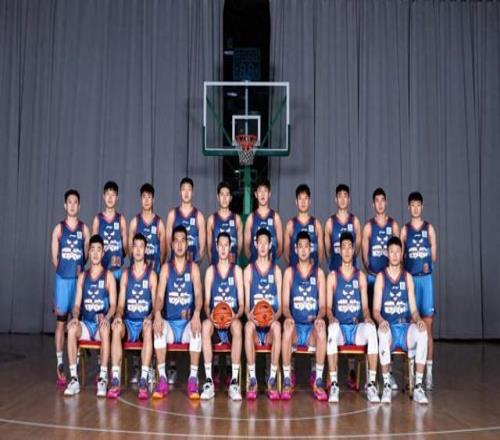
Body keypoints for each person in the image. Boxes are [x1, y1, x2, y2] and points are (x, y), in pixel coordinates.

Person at [372, 237, 429, 405]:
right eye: (392, 252)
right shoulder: (381, 277)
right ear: (387, 254)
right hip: (389, 327)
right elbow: (375, 310)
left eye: (398, 251)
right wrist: (381, 320)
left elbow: (414, 310)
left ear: (402, 253)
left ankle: (418, 387)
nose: (395, 255)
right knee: (382, 333)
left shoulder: (407, 277)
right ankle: (386, 385)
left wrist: (418, 320)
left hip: (404, 328)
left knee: (423, 332)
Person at [326, 233, 379, 403]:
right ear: (339, 251)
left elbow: (365, 308)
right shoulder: (332, 276)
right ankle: (334, 384)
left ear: (354, 250)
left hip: (356, 329)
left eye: (350, 247)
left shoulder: (360, 276)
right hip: (340, 329)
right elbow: (327, 308)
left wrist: (368, 317)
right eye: (344, 247)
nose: (347, 251)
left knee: (371, 329)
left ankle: (371, 384)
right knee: (331, 329)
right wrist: (331, 317)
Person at [152, 226, 203, 400]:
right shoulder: (166, 269)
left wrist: (197, 313)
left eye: (183, 241)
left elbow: (198, 295)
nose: (180, 245)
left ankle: (193, 379)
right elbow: (159, 296)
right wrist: (157, 313)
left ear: (187, 244)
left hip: (187, 324)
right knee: (158, 328)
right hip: (171, 324)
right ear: (172, 245)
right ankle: (162, 379)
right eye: (176, 241)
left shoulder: (193, 268)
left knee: (197, 330)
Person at [64, 235, 117, 397]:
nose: (95, 253)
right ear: (89, 252)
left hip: (100, 325)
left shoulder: (108, 276)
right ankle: (74, 379)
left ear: (103, 253)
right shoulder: (83, 276)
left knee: (105, 329)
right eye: (92, 249)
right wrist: (75, 317)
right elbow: (76, 305)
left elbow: (114, 305)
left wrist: (107, 318)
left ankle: (102, 378)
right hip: (86, 324)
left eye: (98, 250)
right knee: (71, 329)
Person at [107, 233, 157, 400]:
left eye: (141, 246)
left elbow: (156, 306)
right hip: (128, 323)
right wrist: (118, 316)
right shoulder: (126, 275)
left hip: (143, 323)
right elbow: (120, 305)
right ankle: (115, 379)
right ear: (132, 249)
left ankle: (143, 380)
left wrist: (150, 317)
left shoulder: (151, 275)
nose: (138, 250)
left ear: (145, 250)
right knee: (116, 328)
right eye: (135, 246)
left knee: (148, 329)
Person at [281, 231, 328, 401]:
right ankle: (287, 380)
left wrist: (319, 317)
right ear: (295, 249)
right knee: (286, 328)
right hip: (296, 327)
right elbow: (284, 305)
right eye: (300, 247)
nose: (303, 250)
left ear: (311, 248)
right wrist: (288, 317)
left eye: (306, 246)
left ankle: (319, 380)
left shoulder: (319, 273)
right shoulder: (289, 273)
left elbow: (323, 306)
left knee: (322, 328)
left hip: (310, 330)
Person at [50, 189, 89, 386]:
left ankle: (76, 365)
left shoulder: (84, 229)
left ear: (79, 206)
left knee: (76, 322)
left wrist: (77, 272)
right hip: (63, 281)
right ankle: (60, 364)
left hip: (78, 280)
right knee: (61, 322)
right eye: (69, 202)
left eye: (75, 202)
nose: (72, 205)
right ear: (65, 205)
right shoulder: (59, 228)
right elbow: (54, 258)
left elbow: (87, 255)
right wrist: (65, 272)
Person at [200, 232, 244, 401]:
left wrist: (235, 315)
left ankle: (234, 381)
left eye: (227, 245)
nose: (224, 248)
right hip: (215, 320)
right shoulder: (210, 271)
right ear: (217, 248)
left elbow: (242, 305)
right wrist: (210, 315)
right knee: (205, 326)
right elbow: (206, 303)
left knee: (238, 326)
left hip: (231, 320)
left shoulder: (237, 271)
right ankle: (209, 381)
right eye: (221, 245)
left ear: (230, 247)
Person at [401, 191, 437, 390]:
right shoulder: (405, 230)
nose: (415, 208)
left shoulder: (429, 228)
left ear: (422, 207)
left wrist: (426, 263)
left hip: (426, 281)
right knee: (411, 326)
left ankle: (428, 373)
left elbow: (434, 257)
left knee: (428, 327)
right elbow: (399, 258)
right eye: (412, 205)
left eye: (418, 205)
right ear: (409, 207)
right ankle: (412, 372)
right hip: (411, 280)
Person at [244, 228, 282, 400]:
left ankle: (272, 379)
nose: (263, 246)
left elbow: (280, 307)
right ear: (255, 244)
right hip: (255, 323)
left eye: (266, 243)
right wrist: (250, 315)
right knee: (247, 326)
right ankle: (252, 379)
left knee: (278, 326)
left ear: (270, 244)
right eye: (260, 243)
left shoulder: (277, 271)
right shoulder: (248, 270)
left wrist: (274, 316)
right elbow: (246, 306)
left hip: (270, 324)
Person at [91, 181, 127, 282]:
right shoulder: (98, 219)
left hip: (116, 270)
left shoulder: (121, 219)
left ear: (117, 198)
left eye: (113, 195)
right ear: (103, 196)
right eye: (108, 194)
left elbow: (125, 248)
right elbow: (93, 246)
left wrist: (117, 255)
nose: (110, 198)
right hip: (100, 269)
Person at [166, 177, 206, 264]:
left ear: (193, 192)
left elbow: (202, 247)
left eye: (189, 190)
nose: (186, 193)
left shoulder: (199, 216)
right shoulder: (172, 215)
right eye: (184, 189)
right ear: (180, 192)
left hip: (193, 263)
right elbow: (168, 244)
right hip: (175, 265)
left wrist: (196, 266)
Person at [284, 183, 324, 267]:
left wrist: (314, 269)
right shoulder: (290, 225)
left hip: (312, 272)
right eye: (300, 198)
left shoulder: (316, 224)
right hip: (295, 272)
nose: (303, 202)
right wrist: (294, 270)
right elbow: (286, 254)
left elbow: (321, 254)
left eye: (305, 198)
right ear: (296, 202)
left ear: (309, 201)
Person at [244, 178, 283, 264]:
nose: (262, 194)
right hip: (255, 267)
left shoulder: (275, 217)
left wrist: (272, 263)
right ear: (256, 194)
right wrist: (254, 264)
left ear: (269, 194)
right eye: (260, 191)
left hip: (271, 267)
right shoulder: (251, 218)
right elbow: (246, 247)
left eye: (265, 191)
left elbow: (280, 246)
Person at [129, 183, 165, 274]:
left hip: (155, 272)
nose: (146, 200)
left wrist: (157, 267)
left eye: (149, 197)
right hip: (137, 273)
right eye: (144, 197)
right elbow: (130, 250)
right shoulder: (134, 222)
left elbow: (163, 252)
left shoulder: (159, 223)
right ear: (140, 199)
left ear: (153, 200)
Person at [206, 181, 242, 265]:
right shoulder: (211, 219)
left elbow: (239, 248)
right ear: (218, 197)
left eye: (227, 195)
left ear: (231, 198)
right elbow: (209, 248)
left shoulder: (237, 219)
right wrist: (214, 265)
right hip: (216, 266)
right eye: (222, 195)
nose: (224, 198)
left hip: (232, 267)